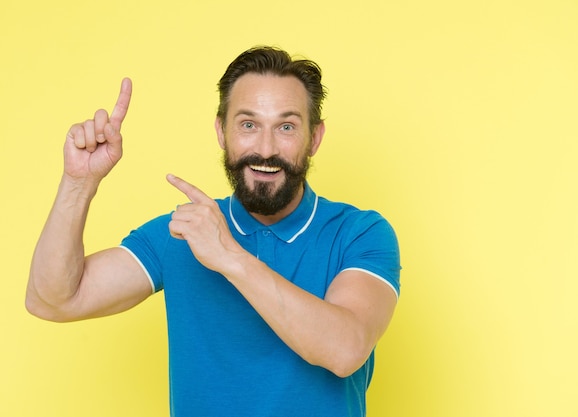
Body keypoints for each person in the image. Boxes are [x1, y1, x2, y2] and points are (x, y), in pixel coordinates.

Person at [26, 46, 401, 417]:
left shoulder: (360, 233)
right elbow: (52, 300)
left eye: (286, 127)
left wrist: (229, 256)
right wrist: (79, 183)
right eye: (248, 125)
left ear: (314, 138)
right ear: (222, 131)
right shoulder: (183, 232)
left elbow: (345, 350)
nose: (266, 149)